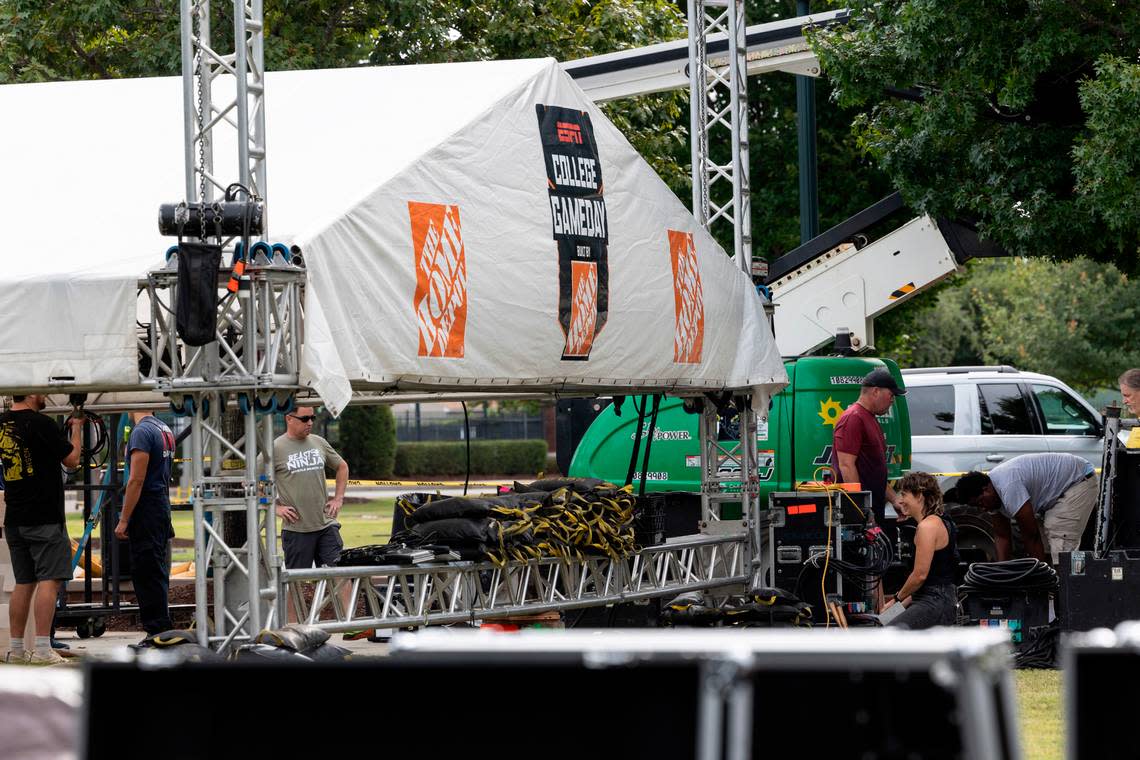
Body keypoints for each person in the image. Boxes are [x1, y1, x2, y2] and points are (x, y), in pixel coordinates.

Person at [0, 394, 82, 664]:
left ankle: (16, 649)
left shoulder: (2, 423)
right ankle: (43, 649)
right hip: (44, 516)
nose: (46, 395)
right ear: (32, 393)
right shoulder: (41, 423)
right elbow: (71, 460)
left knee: (24, 582)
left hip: (15, 518)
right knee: (50, 579)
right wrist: (77, 429)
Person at [955, 452, 1097, 564]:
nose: (983, 509)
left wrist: (1038, 576)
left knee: (1061, 536)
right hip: (1064, 484)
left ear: (986, 489)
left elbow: (1031, 536)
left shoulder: (1008, 487)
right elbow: (1002, 536)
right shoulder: (991, 496)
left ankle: (1071, 589)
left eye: (980, 503)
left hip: (1078, 480)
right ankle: (1069, 583)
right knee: (1056, 543)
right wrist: (1000, 573)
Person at [114, 411, 176, 637]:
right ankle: (160, 627)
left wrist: (124, 519)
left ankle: (156, 631)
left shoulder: (142, 432)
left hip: (147, 506)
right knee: (156, 569)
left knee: (146, 571)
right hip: (160, 503)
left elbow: (136, 479)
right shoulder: (164, 429)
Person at [272, 405, 349, 574]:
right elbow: (252, 481)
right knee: (295, 584)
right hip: (296, 530)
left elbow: (342, 467)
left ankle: (346, 603)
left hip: (326, 525)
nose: (310, 423)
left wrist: (338, 498)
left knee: (341, 576)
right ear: (289, 419)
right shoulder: (275, 448)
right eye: (305, 418)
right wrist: (274, 508)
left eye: (312, 418)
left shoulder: (319, 442)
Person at [832, 368, 906, 535]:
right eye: (891, 395)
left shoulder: (869, 418)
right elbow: (846, 465)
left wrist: (895, 499)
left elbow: (874, 470)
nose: (893, 400)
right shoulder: (853, 418)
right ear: (875, 391)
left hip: (872, 508)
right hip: (860, 515)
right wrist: (861, 511)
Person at [881, 471, 959, 629]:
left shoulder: (927, 527)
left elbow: (920, 576)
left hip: (935, 601)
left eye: (904, 494)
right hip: (931, 597)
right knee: (882, 620)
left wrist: (895, 600)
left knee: (890, 632)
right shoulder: (940, 521)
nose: (900, 501)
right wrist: (893, 610)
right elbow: (925, 582)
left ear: (919, 495)